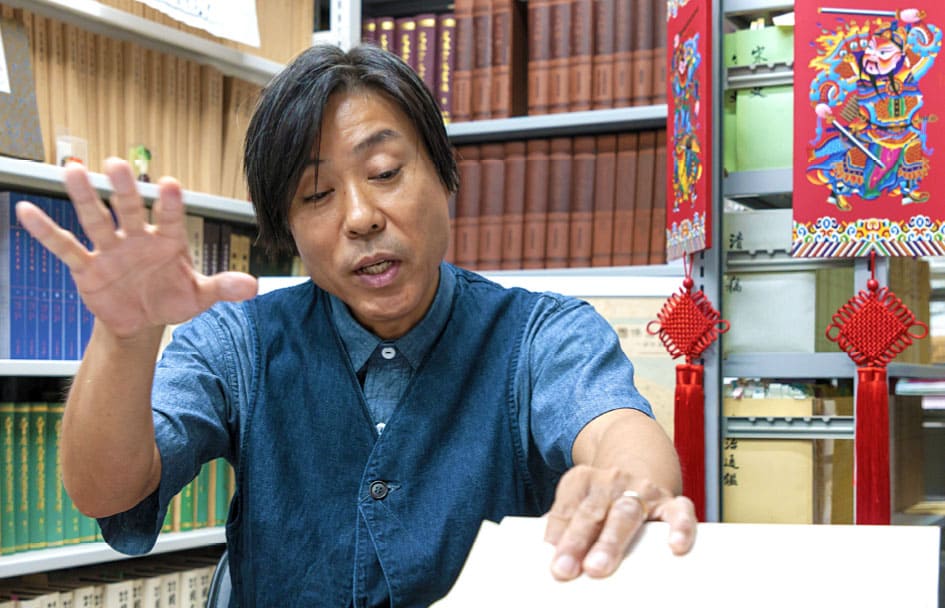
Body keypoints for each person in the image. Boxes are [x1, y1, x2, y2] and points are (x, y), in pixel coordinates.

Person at [15, 44, 696, 606]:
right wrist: (125, 337)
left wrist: (625, 484)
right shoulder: (239, 343)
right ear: (287, 229)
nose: (361, 217)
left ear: (443, 174)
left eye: (385, 172)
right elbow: (105, 489)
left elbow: (619, 431)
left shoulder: (539, 334)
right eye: (317, 194)